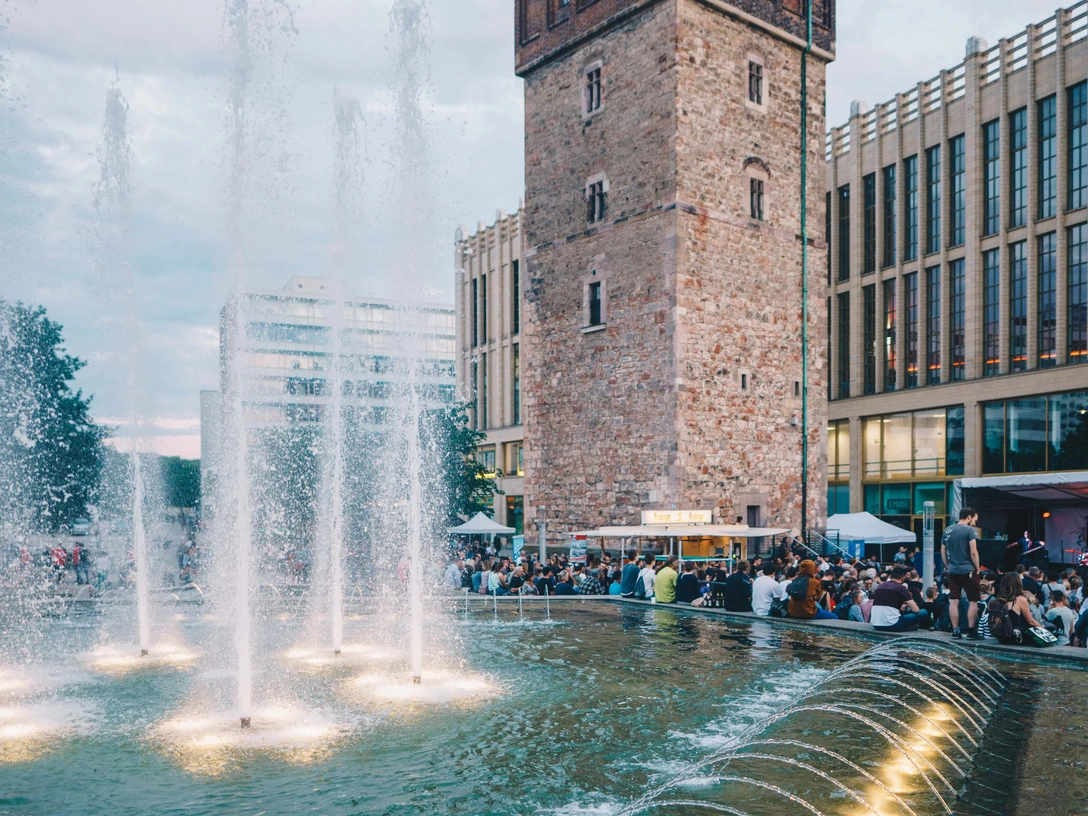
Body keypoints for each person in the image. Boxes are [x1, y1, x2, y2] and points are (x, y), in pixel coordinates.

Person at [941, 506, 982, 640]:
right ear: (969, 517)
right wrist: (977, 568)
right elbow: (973, 551)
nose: (974, 523)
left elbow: (943, 552)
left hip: (952, 570)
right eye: (974, 519)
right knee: (973, 600)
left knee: (953, 601)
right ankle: (971, 631)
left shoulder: (947, 530)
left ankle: (955, 630)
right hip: (968, 570)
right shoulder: (969, 530)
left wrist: (948, 566)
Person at [870, 566, 931, 632]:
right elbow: (916, 610)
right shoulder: (901, 588)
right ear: (903, 578)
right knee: (923, 612)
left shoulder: (880, 586)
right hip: (893, 624)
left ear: (890, 577)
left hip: (876, 624)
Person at [990, 572, 1043, 643]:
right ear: (1019, 584)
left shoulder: (997, 600)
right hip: (1017, 637)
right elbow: (1031, 621)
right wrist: (1043, 629)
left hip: (1001, 637)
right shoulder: (1021, 600)